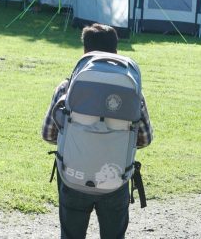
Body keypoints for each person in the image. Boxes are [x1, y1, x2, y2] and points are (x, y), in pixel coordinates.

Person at [42, 23, 153, 239]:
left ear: (85, 51)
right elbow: (144, 139)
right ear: (116, 50)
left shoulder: (67, 87)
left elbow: (48, 134)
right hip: (116, 179)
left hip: (72, 176)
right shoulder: (132, 92)